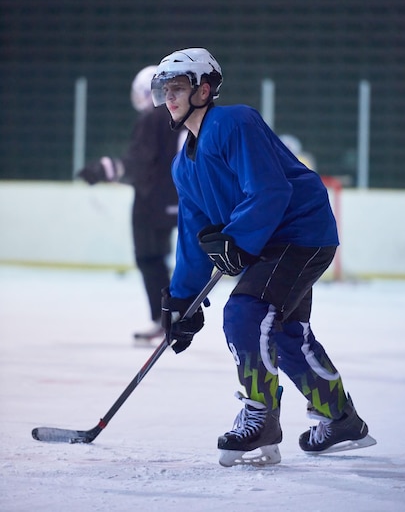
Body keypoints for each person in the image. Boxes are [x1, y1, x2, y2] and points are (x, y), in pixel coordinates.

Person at [150, 47, 376, 467]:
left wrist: (237, 240)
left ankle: (261, 418)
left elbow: (272, 190)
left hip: (299, 233)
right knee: (287, 332)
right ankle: (341, 419)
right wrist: (182, 300)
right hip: (270, 241)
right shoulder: (184, 165)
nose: (170, 98)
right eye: (165, 90)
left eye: (178, 88)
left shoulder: (235, 121)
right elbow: (195, 235)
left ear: (205, 89)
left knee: (246, 313)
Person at [77, 66, 180, 342]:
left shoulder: (152, 119)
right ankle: (173, 314)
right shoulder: (182, 117)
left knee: (150, 257)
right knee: (179, 258)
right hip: (184, 198)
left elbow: (139, 163)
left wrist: (106, 168)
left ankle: (165, 318)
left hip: (152, 201)